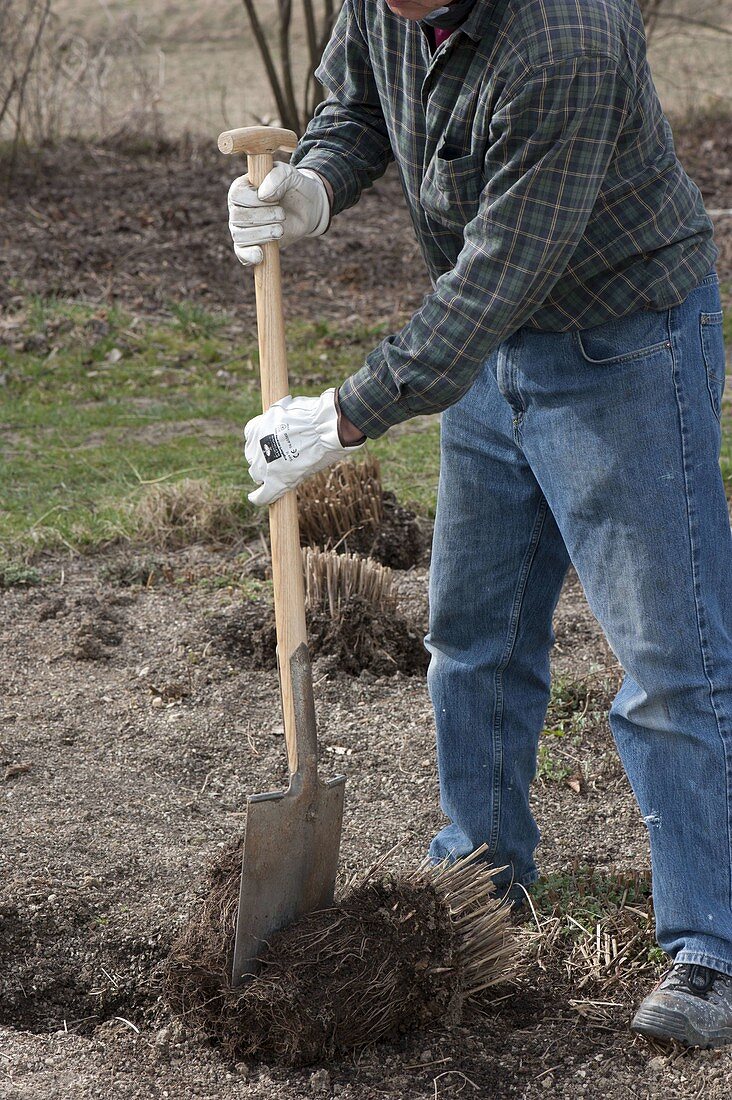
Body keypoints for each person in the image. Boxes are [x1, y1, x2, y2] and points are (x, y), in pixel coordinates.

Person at [227, 0, 732, 1049]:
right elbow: (356, 100)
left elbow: (502, 272)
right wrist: (312, 185)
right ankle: (481, 875)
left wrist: (343, 413)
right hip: (489, 356)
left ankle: (714, 943)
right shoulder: (383, 4)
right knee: (473, 635)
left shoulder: (568, 39)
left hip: (620, 345)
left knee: (670, 658)